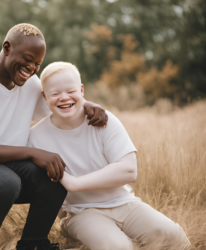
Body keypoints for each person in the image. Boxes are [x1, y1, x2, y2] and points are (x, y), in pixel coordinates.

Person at [0, 24, 108, 250]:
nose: (32, 68)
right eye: (28, 59)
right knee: (5, 183)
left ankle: (33, 244)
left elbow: (60, 102)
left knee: (56, 173)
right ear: (6, 48)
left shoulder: (30, 85)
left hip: (6, 165)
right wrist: (32, 152)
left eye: (38, 64)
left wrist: (88, 104)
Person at [28, 62, 191, 250]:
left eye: (70, 91)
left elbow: (129, 170)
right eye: (55, 93)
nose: (64, 98)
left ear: (81, 90)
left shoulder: (104, 120)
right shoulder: (35, 136)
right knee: (118, 247)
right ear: (44, 96)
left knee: (174, 237)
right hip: (80, 212)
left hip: (124, 203)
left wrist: (75, 183)